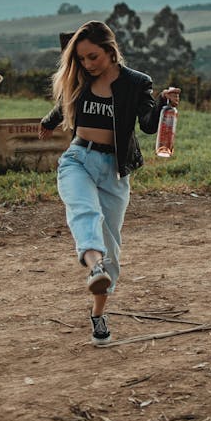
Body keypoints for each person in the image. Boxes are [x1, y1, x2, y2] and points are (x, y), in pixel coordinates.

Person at [39, 20, 180, 346]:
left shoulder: (135, 83)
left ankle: (98, 313)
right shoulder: (79, 79)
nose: (87, 65)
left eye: (93, 57)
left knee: (111, 249)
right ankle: (93, 266)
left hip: (114, 169)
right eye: (82, 59)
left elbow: (146, 125)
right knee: (83, 212)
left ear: (110, 51)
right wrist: (49, 121)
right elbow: (63, 105)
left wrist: (163, 103)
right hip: (78, 160)